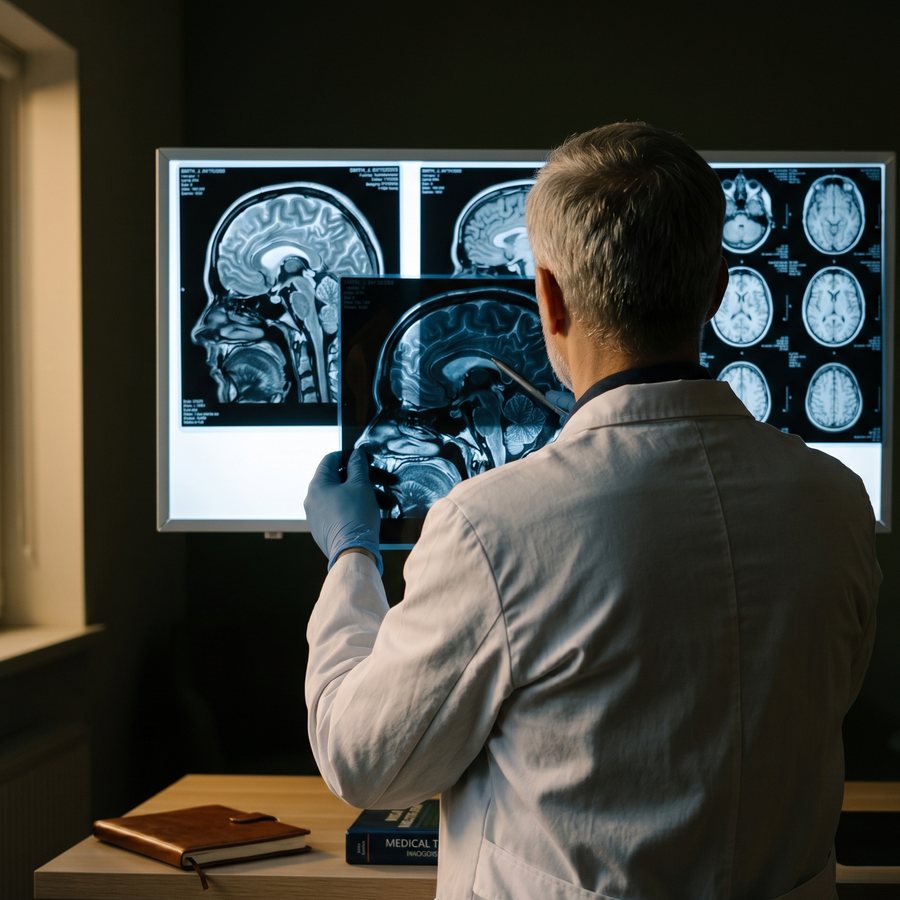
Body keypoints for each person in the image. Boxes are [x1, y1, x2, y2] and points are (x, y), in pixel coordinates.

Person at [303, 122, 880, 900]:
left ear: (548, 296)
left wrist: (351, 556)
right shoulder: (838, 504)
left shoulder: (492, 528)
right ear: (717, 286)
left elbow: (366, 762)